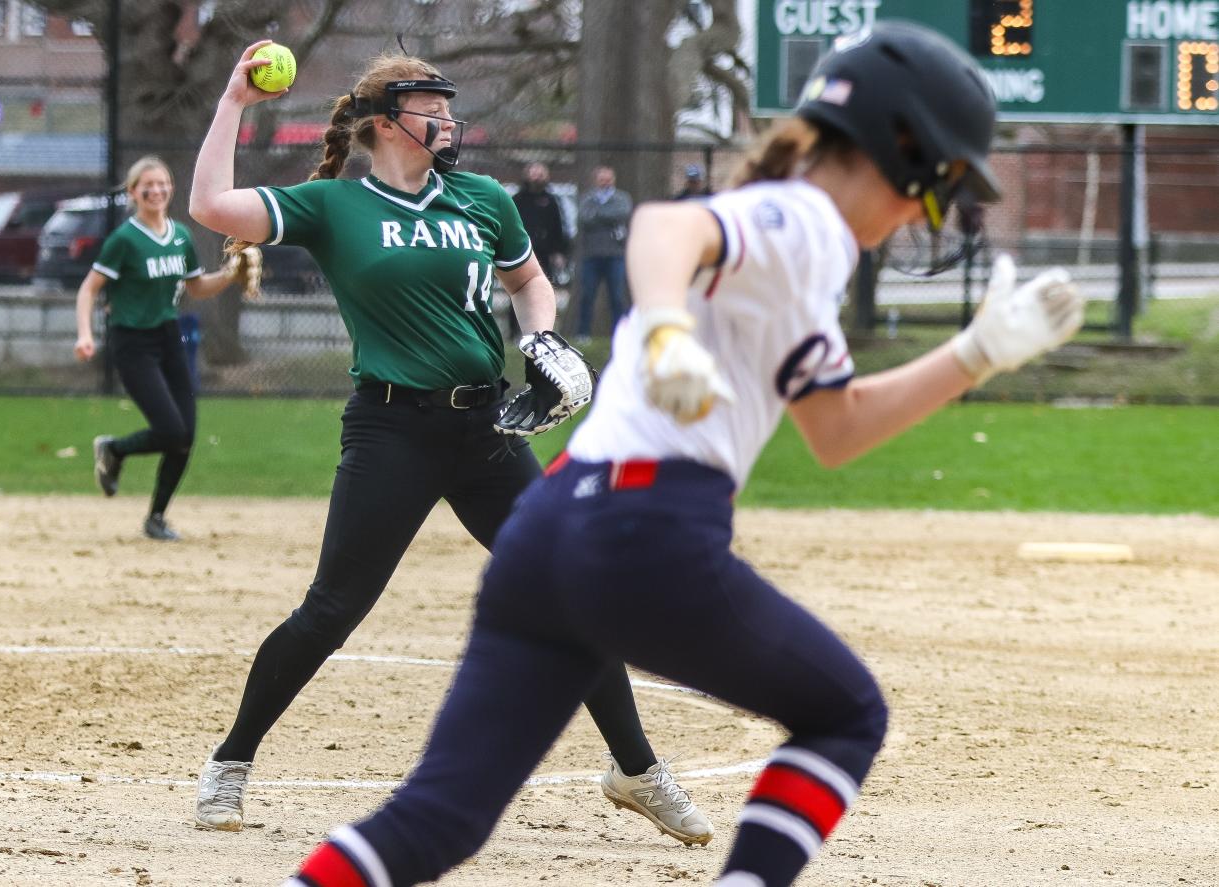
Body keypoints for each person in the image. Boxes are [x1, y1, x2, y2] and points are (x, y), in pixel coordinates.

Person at [282, 22, 1085, 887]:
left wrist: (976, 355)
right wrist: (663, 329)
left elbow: (837, 428)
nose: (919, 216)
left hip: (550, 530)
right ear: (897, 149)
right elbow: (666, 228)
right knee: (847, 714)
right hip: (646, 531)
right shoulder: (807, 216)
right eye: (933, 191)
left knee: (440, 818)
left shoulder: (800, 251)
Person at [186, 42, 712, 845]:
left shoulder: (481, 198)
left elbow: (531, 282)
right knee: (333, 609)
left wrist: (542, 341)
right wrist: (233, 102)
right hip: (392, 427)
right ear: (387, 122)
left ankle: (636, 770)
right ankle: (231, 759)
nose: (446, 119)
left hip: (487, 428)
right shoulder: (336, 205)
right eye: (430, 108)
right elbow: (213, 207)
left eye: (445, 107)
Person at [73, 155, 255, 541]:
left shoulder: (180, 235)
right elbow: (89, 289)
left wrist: (229, 274)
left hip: (169, 338)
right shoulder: (124, 240)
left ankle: (156, 517)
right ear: (133, 193)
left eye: (163, 184)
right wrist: (85, 334)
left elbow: (196, 287)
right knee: (171, 429)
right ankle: (115, 450)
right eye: (147, 186)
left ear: (171, 188)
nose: (156, 191)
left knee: (185, 434)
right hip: (133, 343)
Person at [576, 164, 633, 339]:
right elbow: (584, 218)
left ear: (613, 179)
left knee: (617, 296)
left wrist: (598, 215)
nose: (605, 181)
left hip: (615, 255)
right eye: (602, 178)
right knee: (587, 295)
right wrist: (606, 217)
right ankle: (583, 334)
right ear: (596, 180)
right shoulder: (587, 198)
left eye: (608, 178)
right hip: (591, 255)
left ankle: (619, 334)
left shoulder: (622, 198)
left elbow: (622, 214)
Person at [511, 161, 570, 285]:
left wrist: (558, 251)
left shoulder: (550, 201)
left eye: (541, 172)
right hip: (522, 250)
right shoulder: (517, 199)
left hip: (544, 252)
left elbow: (557, 227)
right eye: (534, 172)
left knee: (543, 283)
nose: (537, 176)